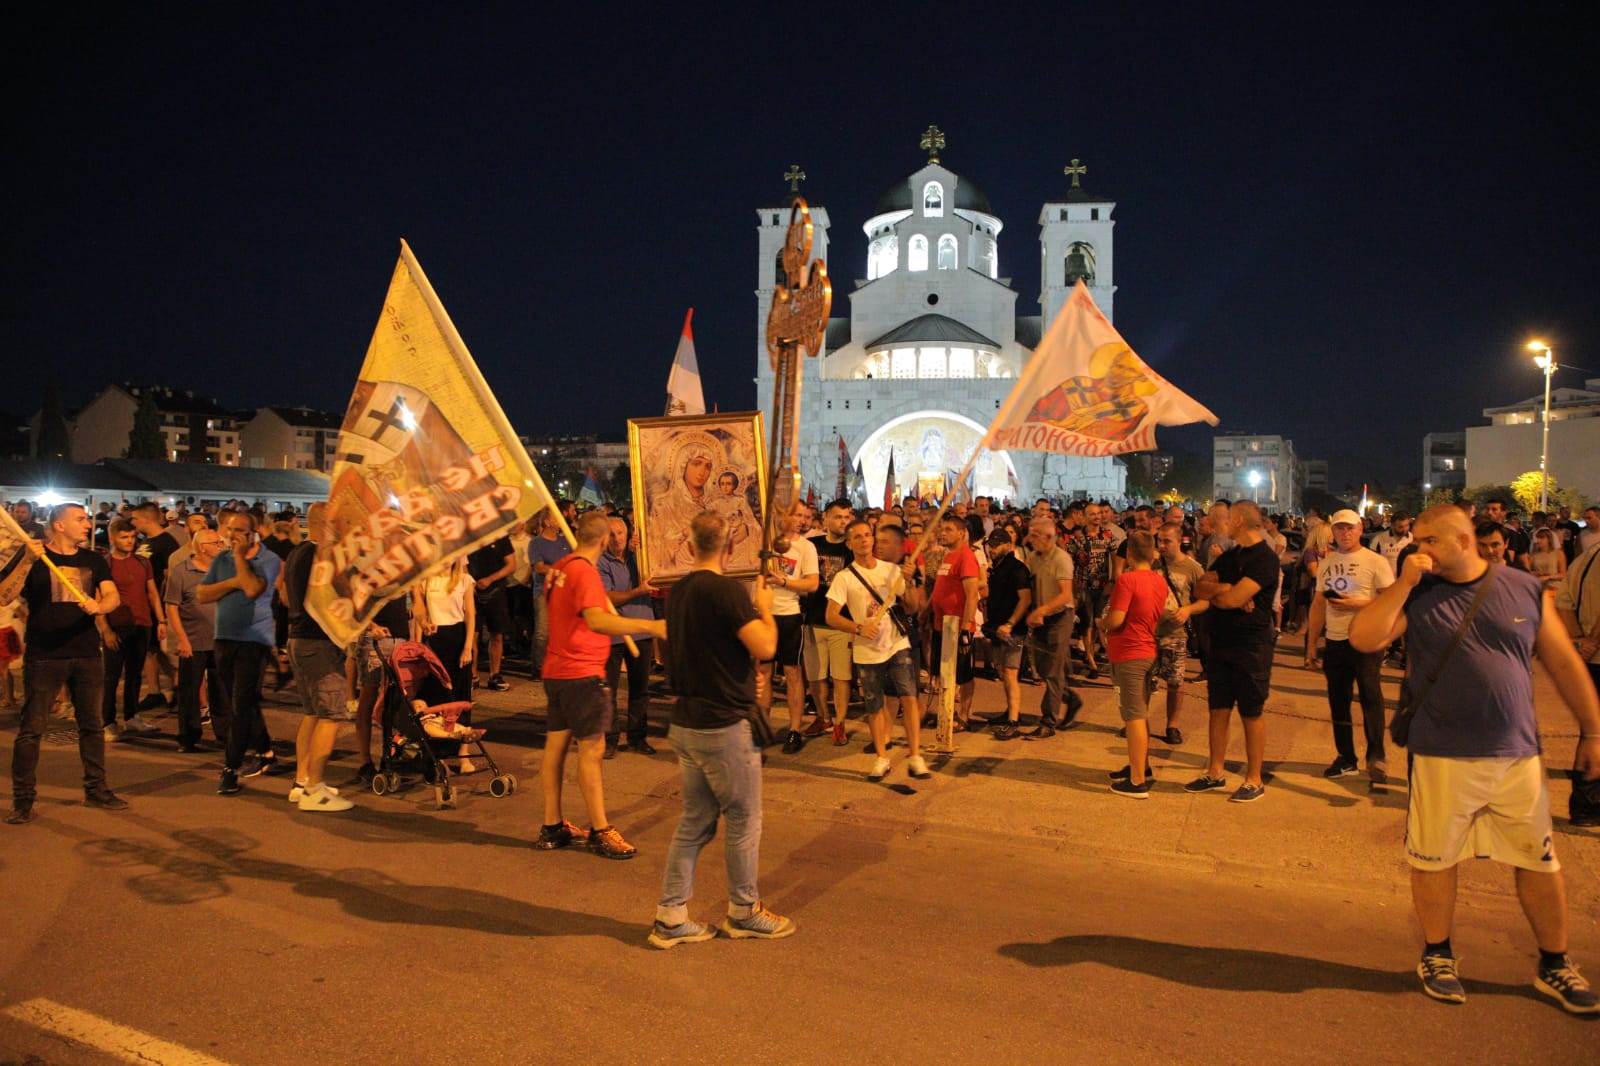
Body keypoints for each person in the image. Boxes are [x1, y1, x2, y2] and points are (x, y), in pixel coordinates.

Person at [1349, 504, 1600, 1014]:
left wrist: (1593, 730)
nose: (1419, 550)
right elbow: (1365, 637)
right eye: (1415, 541)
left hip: (1515, 754)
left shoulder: (1523, 588)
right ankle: (1437, 953)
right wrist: (1402, 584)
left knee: (1537, 858)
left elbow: (1564, 663)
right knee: (1435, 858)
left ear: (1463, 541)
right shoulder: (1419, 591)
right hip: (1441, 752)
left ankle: (1554, 963)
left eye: (1429, 542)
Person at [649, 511, 794, 948]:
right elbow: (766, 646)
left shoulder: (678, 593)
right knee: (744, 818)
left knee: (695, 819)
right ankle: (744, 910)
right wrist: (765, 611)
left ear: (691, 546)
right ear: (730, 548)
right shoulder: (727, 591)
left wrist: (743, 675)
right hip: (722, 725)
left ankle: (672, 914)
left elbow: (713, 649)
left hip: (688, 722)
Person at [534, 512, 664, 859]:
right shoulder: (585, 572)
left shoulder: (561, 567)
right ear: (605, 538)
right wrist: (650, 627)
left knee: (556, 749)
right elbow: (596, 618)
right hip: (581, 673)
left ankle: (552, 825)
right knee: (591, 753)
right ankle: (600, 829)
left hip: (558, 670)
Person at [5, 503, 128, 824]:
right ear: (59, 525)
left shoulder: (93, 560)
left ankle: (97, 788)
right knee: (32, 729)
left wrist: (99, 605)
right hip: (45, 655)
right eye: (81, 519)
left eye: (87, 519)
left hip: (87, 653)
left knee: (91, 726)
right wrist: (25, 560)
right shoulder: (35, 558)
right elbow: (5, 595)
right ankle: (23, 800)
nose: (88, 524)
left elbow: (114, 596)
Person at [825, 519, 931, 782]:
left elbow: (911, 607)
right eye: (857, 537)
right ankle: (881, 757)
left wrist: (909, 581)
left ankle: (915, 755)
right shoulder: (844, 577)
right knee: (874, 705)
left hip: (896, 643)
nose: (864, 540)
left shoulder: (891, 570)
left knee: (909, 696)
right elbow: (831, 616)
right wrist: (857, 628)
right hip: (866, 649)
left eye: (867, 535)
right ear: (849, 544)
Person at [1188, 501, 1279, 803]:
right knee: (1218, 708)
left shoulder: (1264, 558)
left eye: (1226, 518)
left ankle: (1254, 778)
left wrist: (1228, 593)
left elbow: (1231, 600)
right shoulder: (1230, 556)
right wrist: (1228, 589)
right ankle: (1215, 771)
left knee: (1251, 711)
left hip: (1251, 645)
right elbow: (1201, 588)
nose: (1221, 523)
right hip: (1221, 642)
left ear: (1238, 520)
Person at [1303, 509, 1396, 790]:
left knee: (1371, 696)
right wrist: (1311, 645)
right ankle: (1346, 756)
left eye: (1350, 528)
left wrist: (1361, 604)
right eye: (1339, 528)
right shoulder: (1328, 563)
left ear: (1360, 529)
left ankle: (1376, 756)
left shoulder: (1375, 561)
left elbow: (1391, 600)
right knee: (1338, 699)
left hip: (1365, 639)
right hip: (1335, 640)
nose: (1344, 533)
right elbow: (1319, 605)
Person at [201, 510, 283, 794]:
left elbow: (251, 589)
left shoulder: (269, 560)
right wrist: (230, 583)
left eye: (239, 531)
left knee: (240, 706)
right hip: (223, 638)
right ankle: (266, 751)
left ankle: (230, 768)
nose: (232, 535)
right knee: (242, 703)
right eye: (229, 529)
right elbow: (202, 594)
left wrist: (238, 560)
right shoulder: (220, 560)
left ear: (253, 532)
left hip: (253, 641)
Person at [279, 504, 354, 812]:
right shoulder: (321, 553)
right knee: (331, 715)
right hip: (318, 641)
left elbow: (283, 594)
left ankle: (302, 781)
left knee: (312, 713)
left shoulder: (297, 553)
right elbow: (337, 584)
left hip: (298, 637)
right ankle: (315, 789)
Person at [1103, 531, 1169, 798]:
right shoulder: (1159, 581)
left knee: (1133, 717)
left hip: (1130, 652)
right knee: (1140, 712)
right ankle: (1141, 765)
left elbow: (1116, 619)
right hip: (1147, 649)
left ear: (1129, 554)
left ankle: (1137, 780)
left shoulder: (1127, 580)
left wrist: (1102, 624)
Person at [98, 518, 164, 739]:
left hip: (142, 624)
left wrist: (161, 621)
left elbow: (153, 593)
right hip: (117, 625)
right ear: (112, 538)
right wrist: (105, 629)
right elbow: (98, 599)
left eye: (133, 537)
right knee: (112, 676)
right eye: (124, 537)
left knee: (135, 674)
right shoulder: (105, 564)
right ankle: (107, 722)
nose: (129, 541)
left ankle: (131, 716)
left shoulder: (143, 563)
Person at [761, 511, 820, 755]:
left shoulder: (806, 547)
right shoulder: (763, 540)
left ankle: (795, 729)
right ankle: (762, 728)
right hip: (763, 613)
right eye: (796, 514)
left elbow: (812, 584)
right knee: (763, 672)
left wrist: (784, 582)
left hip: (789, 614)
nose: (800, 520)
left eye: (805, 516)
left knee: (792, 672)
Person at [600, 515, 656, 757]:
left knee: (640, 688)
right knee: (609, 689)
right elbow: (607, 596)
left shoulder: (639, 557)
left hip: (641, 628)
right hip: (613, 633)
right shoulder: (600, 562)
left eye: (620, 533)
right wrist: (637, 592)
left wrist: (648, 547)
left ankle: (637, 737)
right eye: (611, 533)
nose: (617, 538)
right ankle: (610, 738)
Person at [1022, 516, 1083, 740]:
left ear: (1049, 537)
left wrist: (1043, 610)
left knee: (1053, 671)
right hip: (1041, 618)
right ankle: (1070, 698)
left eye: (1035, 535)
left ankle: (1048, 721)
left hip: (1059, 617)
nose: (1031, 538)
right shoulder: (1034, 557)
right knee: (1043, 666)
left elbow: (1065, 594)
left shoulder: (1061, 559)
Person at [164, 528, 223, 752]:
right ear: (201, 548)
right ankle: (188, 737)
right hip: (193, 641)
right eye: (215, 542)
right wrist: (182, 638)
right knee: (189, 691)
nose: (220, 545)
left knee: (222, 690)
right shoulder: (181, 571)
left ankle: (225, 734)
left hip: (220, 640)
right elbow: (172, 607)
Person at [803, 500, 855, 743]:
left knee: (841, 676)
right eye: (838, 516)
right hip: (813, 619)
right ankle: (822, 716)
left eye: (847, 517)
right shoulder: (811, 546)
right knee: (815, 675)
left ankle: (840, 722)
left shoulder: (852, 550)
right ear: (825, 519)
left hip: (841, 622)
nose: (843, 521)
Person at [1150, 522, 1207, 745]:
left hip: (1175, 633)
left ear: (1179, 540)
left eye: (1167, 541)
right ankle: (1139, 723)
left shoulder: (1193, 569)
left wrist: (1188, 610)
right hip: (1148, 631)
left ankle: (1172, 725)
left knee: (1175, 681)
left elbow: (1205, 600)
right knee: (1145, 678)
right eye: (1159, 540)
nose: (1162, 545)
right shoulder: (1151, 563)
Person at [930, 513, 980, 729]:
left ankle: (963, 715)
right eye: (942, 529)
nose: (943, 532)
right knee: (944, 672)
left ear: (962, 533)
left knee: (963, 674)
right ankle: (946, 712)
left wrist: (966, 627)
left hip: (958, 627)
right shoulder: (946, 555)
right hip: (941, 626)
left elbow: (972, 594)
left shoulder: (966, 556)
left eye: (949, 529)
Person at [982, 528, 1032, 740]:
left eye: (996, 545)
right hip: (997, 628)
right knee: (1003, 671)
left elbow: (1025, 599)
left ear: (1008, 545)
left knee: (1011, 673)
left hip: (1013, 630)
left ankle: (1013, 720)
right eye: (990, 545)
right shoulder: (997, 568)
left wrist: (1011, 623)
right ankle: (1009, 711)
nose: (991, 549)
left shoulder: (1017, 568)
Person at [468, 534, 515, 691]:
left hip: (496, 592)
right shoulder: (469, 538)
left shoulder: (501, 537)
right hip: (472, 592)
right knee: (472, 634)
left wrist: (490, 579)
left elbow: (511, 564)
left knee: (497, 634)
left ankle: (495, 674)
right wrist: (469, 584)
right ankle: (472, 675)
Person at [527, 513, 571, 678]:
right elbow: (538, 567)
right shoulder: (536, 543)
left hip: (563, 591)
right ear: (547, 522)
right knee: (543, 632)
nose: (560, 520)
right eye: (556, 517)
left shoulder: (565, 542)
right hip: (543, 591)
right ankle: (539, 668)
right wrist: (558, 571)